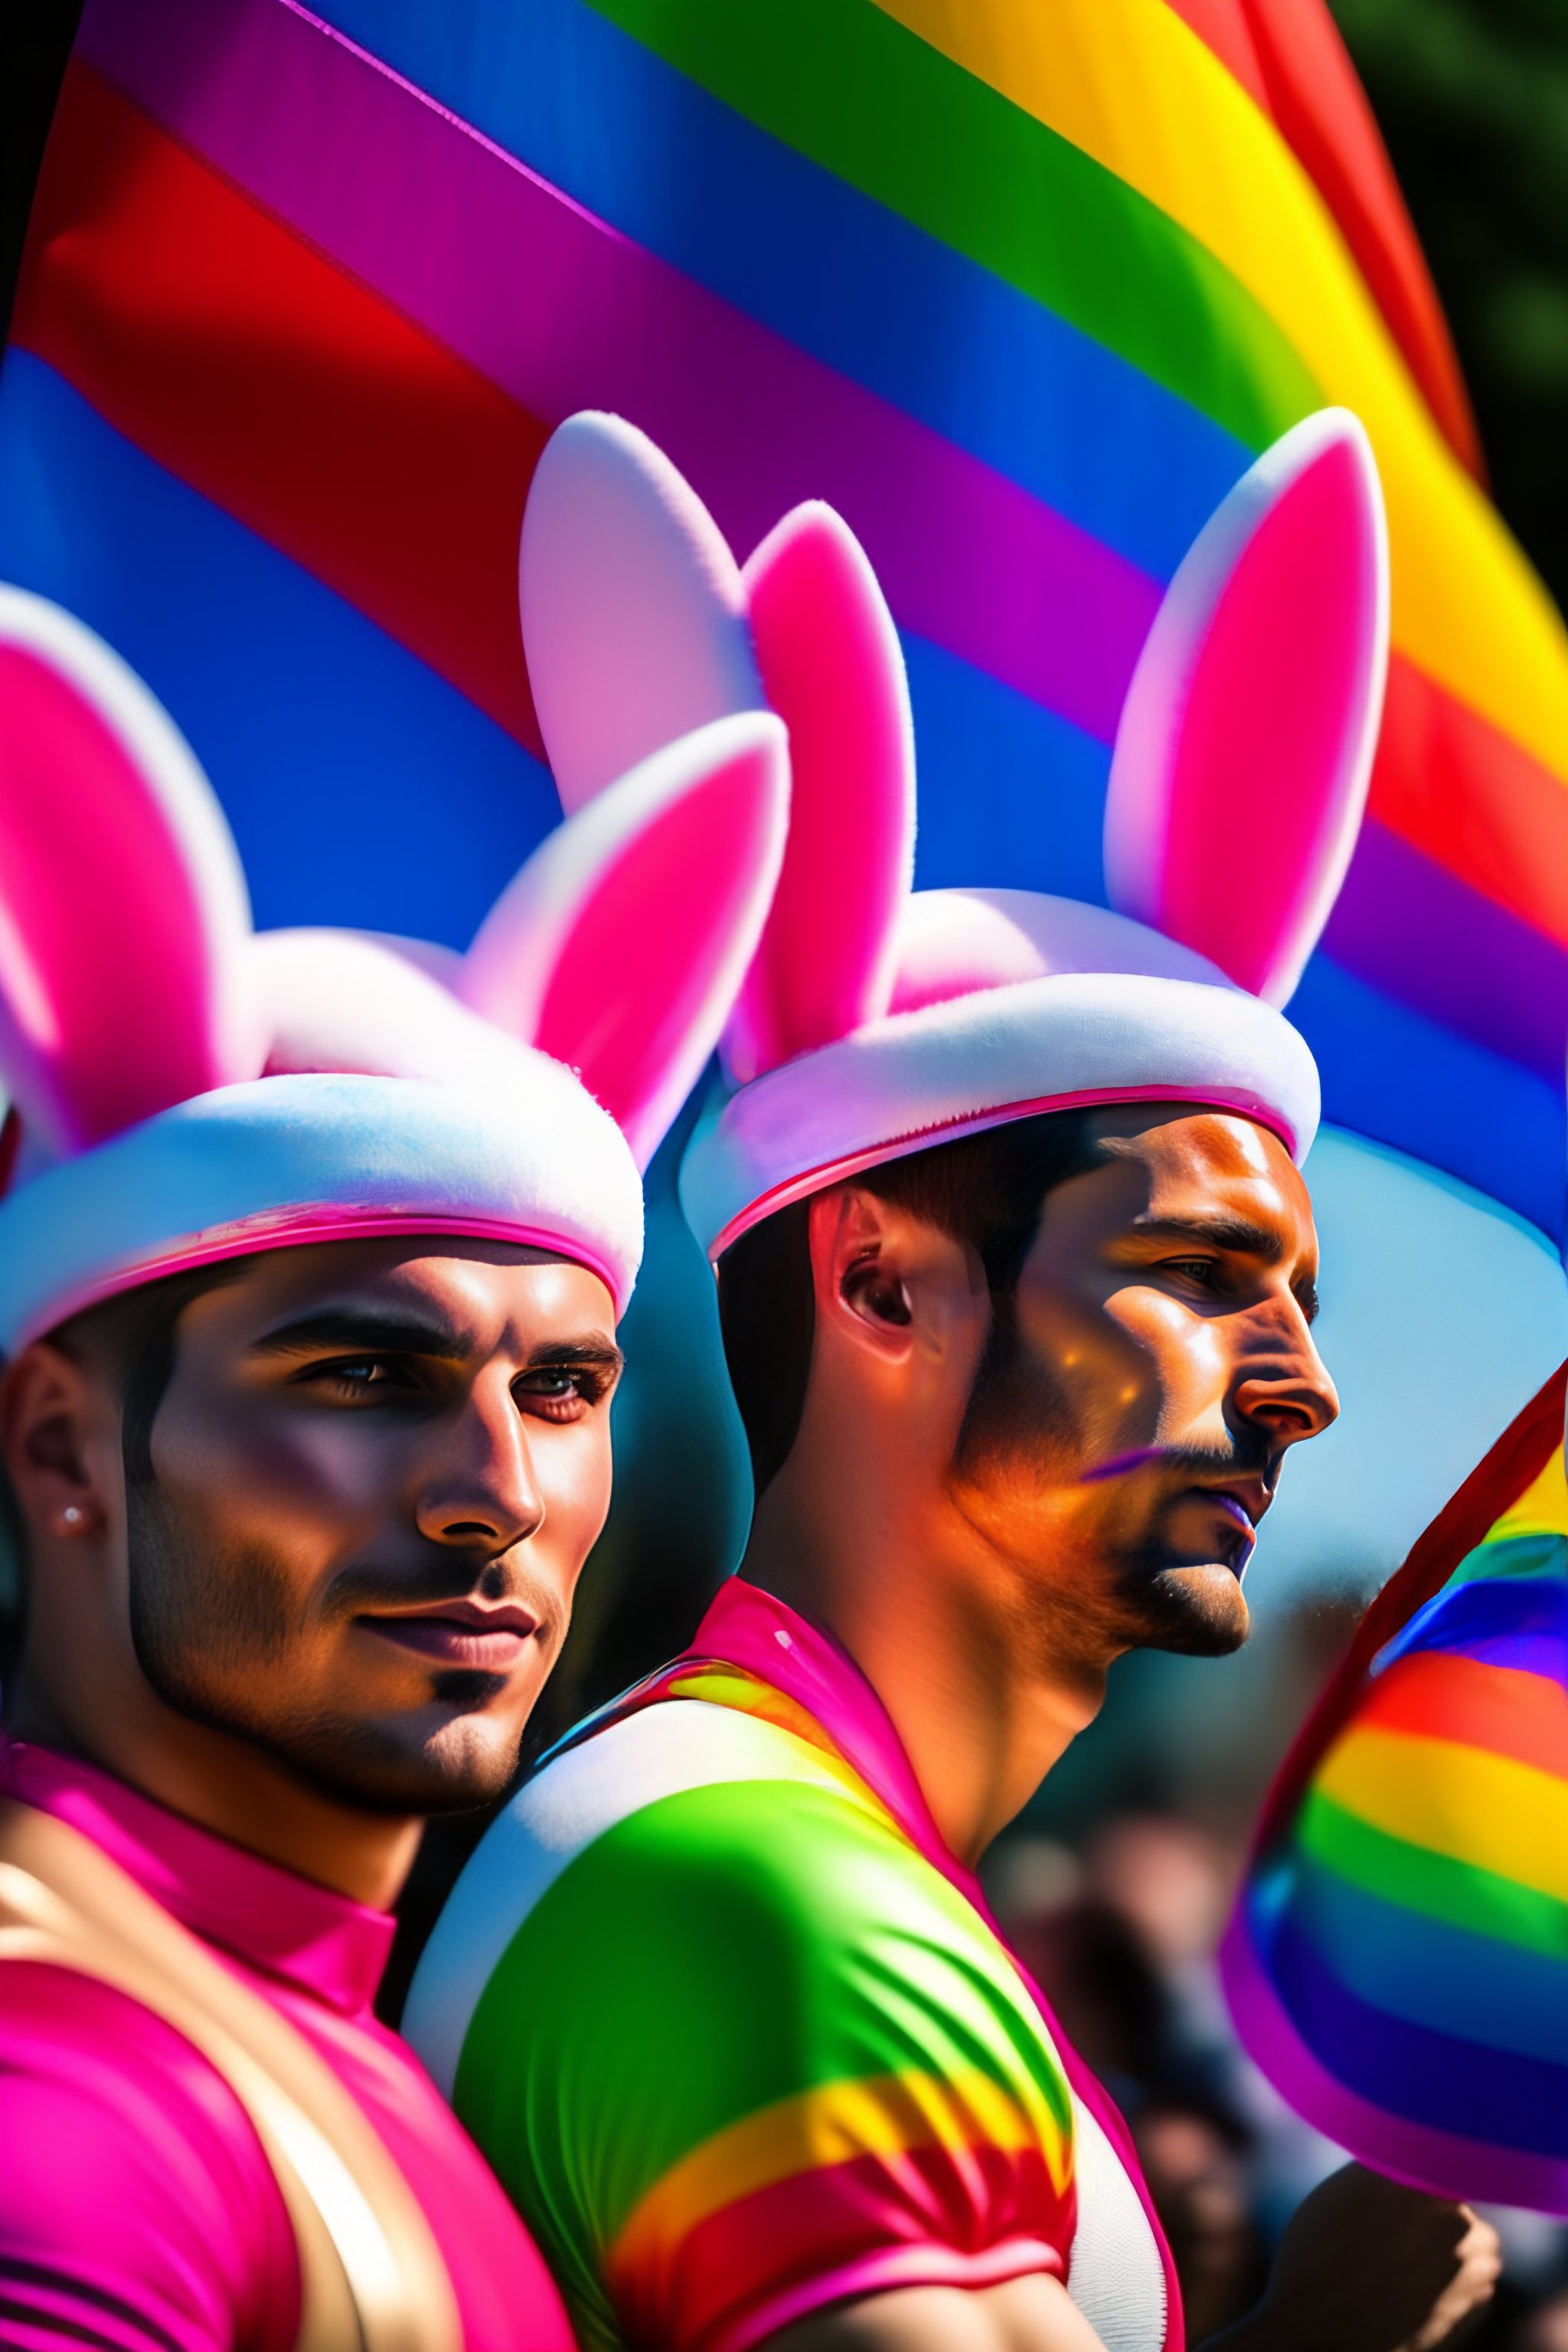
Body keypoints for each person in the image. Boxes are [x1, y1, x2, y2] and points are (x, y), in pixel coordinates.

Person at [407, 411, 1500, 2350]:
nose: (1306, 1388)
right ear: (886, 1285)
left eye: (1300, 1297)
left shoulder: (808, 1855)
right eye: (1195, 1276)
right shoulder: (749, 1886)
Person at [0, 578, 788, 2349]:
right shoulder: (64, 2102)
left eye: (568, 1387)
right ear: (63, 1439)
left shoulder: (322, 2052)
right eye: (367, 1370)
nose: (495, 1488)